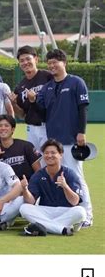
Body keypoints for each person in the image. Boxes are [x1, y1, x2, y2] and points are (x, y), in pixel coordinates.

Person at [32, 49, 93, 226]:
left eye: (55, 62)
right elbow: (40, 111)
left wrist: (81, 132)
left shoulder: (76, 82)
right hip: (53, 143)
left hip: (71, 140)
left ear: (64, 63)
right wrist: (33, 100)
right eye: (49, 63)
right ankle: (51, 212)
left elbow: (83, 108)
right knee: (51, 177)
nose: (51, 66)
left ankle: (87, 215)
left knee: (77, 178)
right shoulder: (47, 87)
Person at [20, 139, 86, 236]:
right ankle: (61, 229)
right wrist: (25, 189)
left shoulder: (70, 174)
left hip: (66, 211)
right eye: (46, 153)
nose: (49, 155)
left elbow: (75, 202)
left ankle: (42, 227)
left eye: (53, 153)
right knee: (24, 208)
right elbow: (31, 201)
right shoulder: (38, 175)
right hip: (46, 210)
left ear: (61, 154)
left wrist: (65, 186)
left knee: (81, 212)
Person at [9, 45, 52, 152]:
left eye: (28, 59)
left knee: (51, 158)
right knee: (35, 161)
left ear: (36, 59)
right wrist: (14, 104)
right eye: (22, 60)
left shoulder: (48, 76)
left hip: (48, 125)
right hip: (31, 128)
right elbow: (22, 114)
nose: (25, 62)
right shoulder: (20, 87)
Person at [0, 114, 41, 180]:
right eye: (0, 126)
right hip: (8, 189)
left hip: (28, 186)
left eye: (6, 126)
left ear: (13, 129)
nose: (3, 128)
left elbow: (38, 171)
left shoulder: (26, 146)